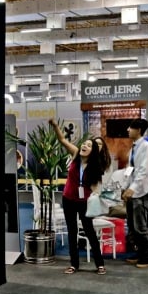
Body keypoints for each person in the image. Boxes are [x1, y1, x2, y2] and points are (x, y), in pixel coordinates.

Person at [49, 118, 107, 276]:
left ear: (93, 151)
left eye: (89, 145)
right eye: (84, 144)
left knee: (89, 232)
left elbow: (96, 188)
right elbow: (62, 139)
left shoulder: (96, 167)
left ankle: (100, 264)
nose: (84, 146)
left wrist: (98, 199)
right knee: (72, 231)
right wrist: (55, 126)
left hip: (84, 203)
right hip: (68, 199)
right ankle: (74, 264)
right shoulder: (75, 154)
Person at [122, 119, 148, 268]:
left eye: (130, 128)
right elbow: (130, 169)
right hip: (132, 191)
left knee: (140, 226)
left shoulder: (146, 146)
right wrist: (125, 187)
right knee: (132, 226)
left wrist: (133, 188)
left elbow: (143, 169)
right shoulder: (134, 147)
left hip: (141, 192)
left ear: (138, 130)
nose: (128, 130)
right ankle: (141, 253)